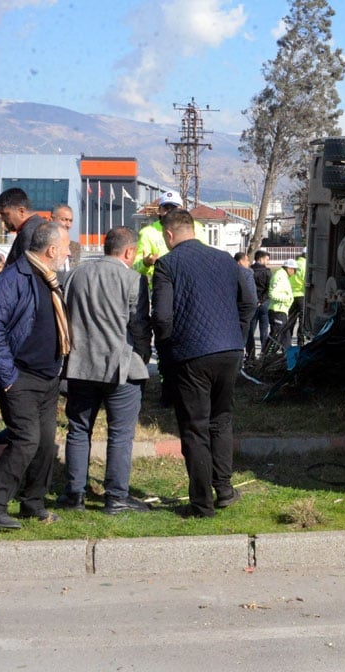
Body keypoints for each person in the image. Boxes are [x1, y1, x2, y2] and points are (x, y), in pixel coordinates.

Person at [0, 222, 71, 529]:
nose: (67, 252)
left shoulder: (47, 277)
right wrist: (8, 377)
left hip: (48, 376)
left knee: (46, 444)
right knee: (26, 440)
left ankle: (32, 503)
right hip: (20, 377)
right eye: (64, 246)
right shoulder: (12, 279)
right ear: (51, 250)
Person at [152, 209, 255, 518]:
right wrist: (238, 334)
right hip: (229, 351)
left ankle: (201, 503)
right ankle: (223, 490)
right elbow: (249, 301)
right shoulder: (226, 259)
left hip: (191, 355)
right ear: (193, 229)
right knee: (221, 420)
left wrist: (168, 347)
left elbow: (161, 316)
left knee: (195, 429)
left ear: (169, 235)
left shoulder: (167, 265)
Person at [56, 226, 153, 515]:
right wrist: (142, 357)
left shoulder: (74, 275)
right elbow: (140, 327)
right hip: (120, 368)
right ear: (129, 251)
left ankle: (74, 494)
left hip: (80, 366)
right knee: (120, 435)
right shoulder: (133, 279)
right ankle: (116, 497)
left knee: (78, 430)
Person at [134, 190, 204, 286]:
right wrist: (146, 264)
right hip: (162, 285)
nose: (170, 212)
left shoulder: (196, 228)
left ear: (182, 208)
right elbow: (134, 268)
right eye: (166, 208)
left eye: (174, 208)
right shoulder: (148, 233)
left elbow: (205, 257)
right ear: (160, 210)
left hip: (190, 284)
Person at [0, 187, 45, 267]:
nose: (2, 219)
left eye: (5, 214)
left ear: (21, 211)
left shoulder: (30, 232)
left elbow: (29, 271)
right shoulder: (38, 226)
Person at [245, 249, 272, 361]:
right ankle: (264, 354)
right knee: (264, 330)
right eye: (267, 259)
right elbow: (269, 289)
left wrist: (255, 300)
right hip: (264, 304)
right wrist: (262, 300)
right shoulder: (267, 272)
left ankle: (250, 356)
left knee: (250, 331)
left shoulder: (249, 271)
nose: (268, 262)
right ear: (260, 259)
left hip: (252, 303)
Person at [267, 257, 297, 346]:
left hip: (281, 311)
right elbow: (272, 294)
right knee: (278, 336)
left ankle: (268, 354)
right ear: (289, 268)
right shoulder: (279, 276)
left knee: (281, 335)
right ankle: (266, 355)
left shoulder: (283, 276)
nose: (295, 272)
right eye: (294, 270)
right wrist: (287, 299)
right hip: (277, 310)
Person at [52, 203, 78, 285]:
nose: (68, 224)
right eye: (64, 220)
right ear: (52, 219)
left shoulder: (75, 247)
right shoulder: (44, 245)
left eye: (70, 220)